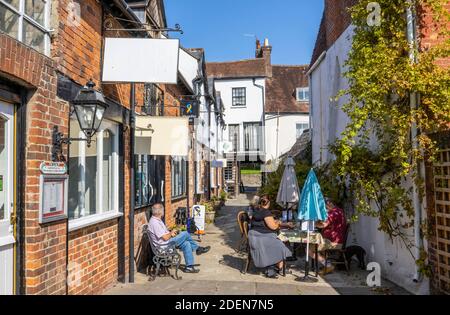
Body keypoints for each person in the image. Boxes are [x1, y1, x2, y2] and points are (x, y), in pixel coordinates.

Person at [148, 203, 211, 274]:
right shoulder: (155, 223)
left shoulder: (157, 220)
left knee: (186, 244)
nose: (163, 211)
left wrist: (172, 233)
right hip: (164, 247)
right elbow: (165, 238)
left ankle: (189, 267)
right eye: (163, 210)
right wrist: (171, 233)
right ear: (160, 212)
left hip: (166, 243)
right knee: (185, 233)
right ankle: (197, 248)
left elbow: (164, 235)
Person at [248, 195, 294, 278]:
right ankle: (272, 268)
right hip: (262, 238)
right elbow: (273, 227)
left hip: (254, 236)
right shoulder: (266, 212)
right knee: (281, 244)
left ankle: (280, 267)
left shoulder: (257, 210)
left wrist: (277, 222)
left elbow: (264, 222)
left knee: (280, 241)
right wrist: (279, 222)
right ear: (268, 203)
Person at [309, 198, 347, 275]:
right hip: (337, 239)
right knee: (318, 244)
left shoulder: (333, 213)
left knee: (309, 250)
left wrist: (313, 224)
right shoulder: (339, 211)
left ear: (329, 203)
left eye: (325, 206)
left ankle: (328, 265)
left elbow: (323, 225)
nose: (325, 208)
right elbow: (327, 223)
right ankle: (326, 264)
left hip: (333, 241)